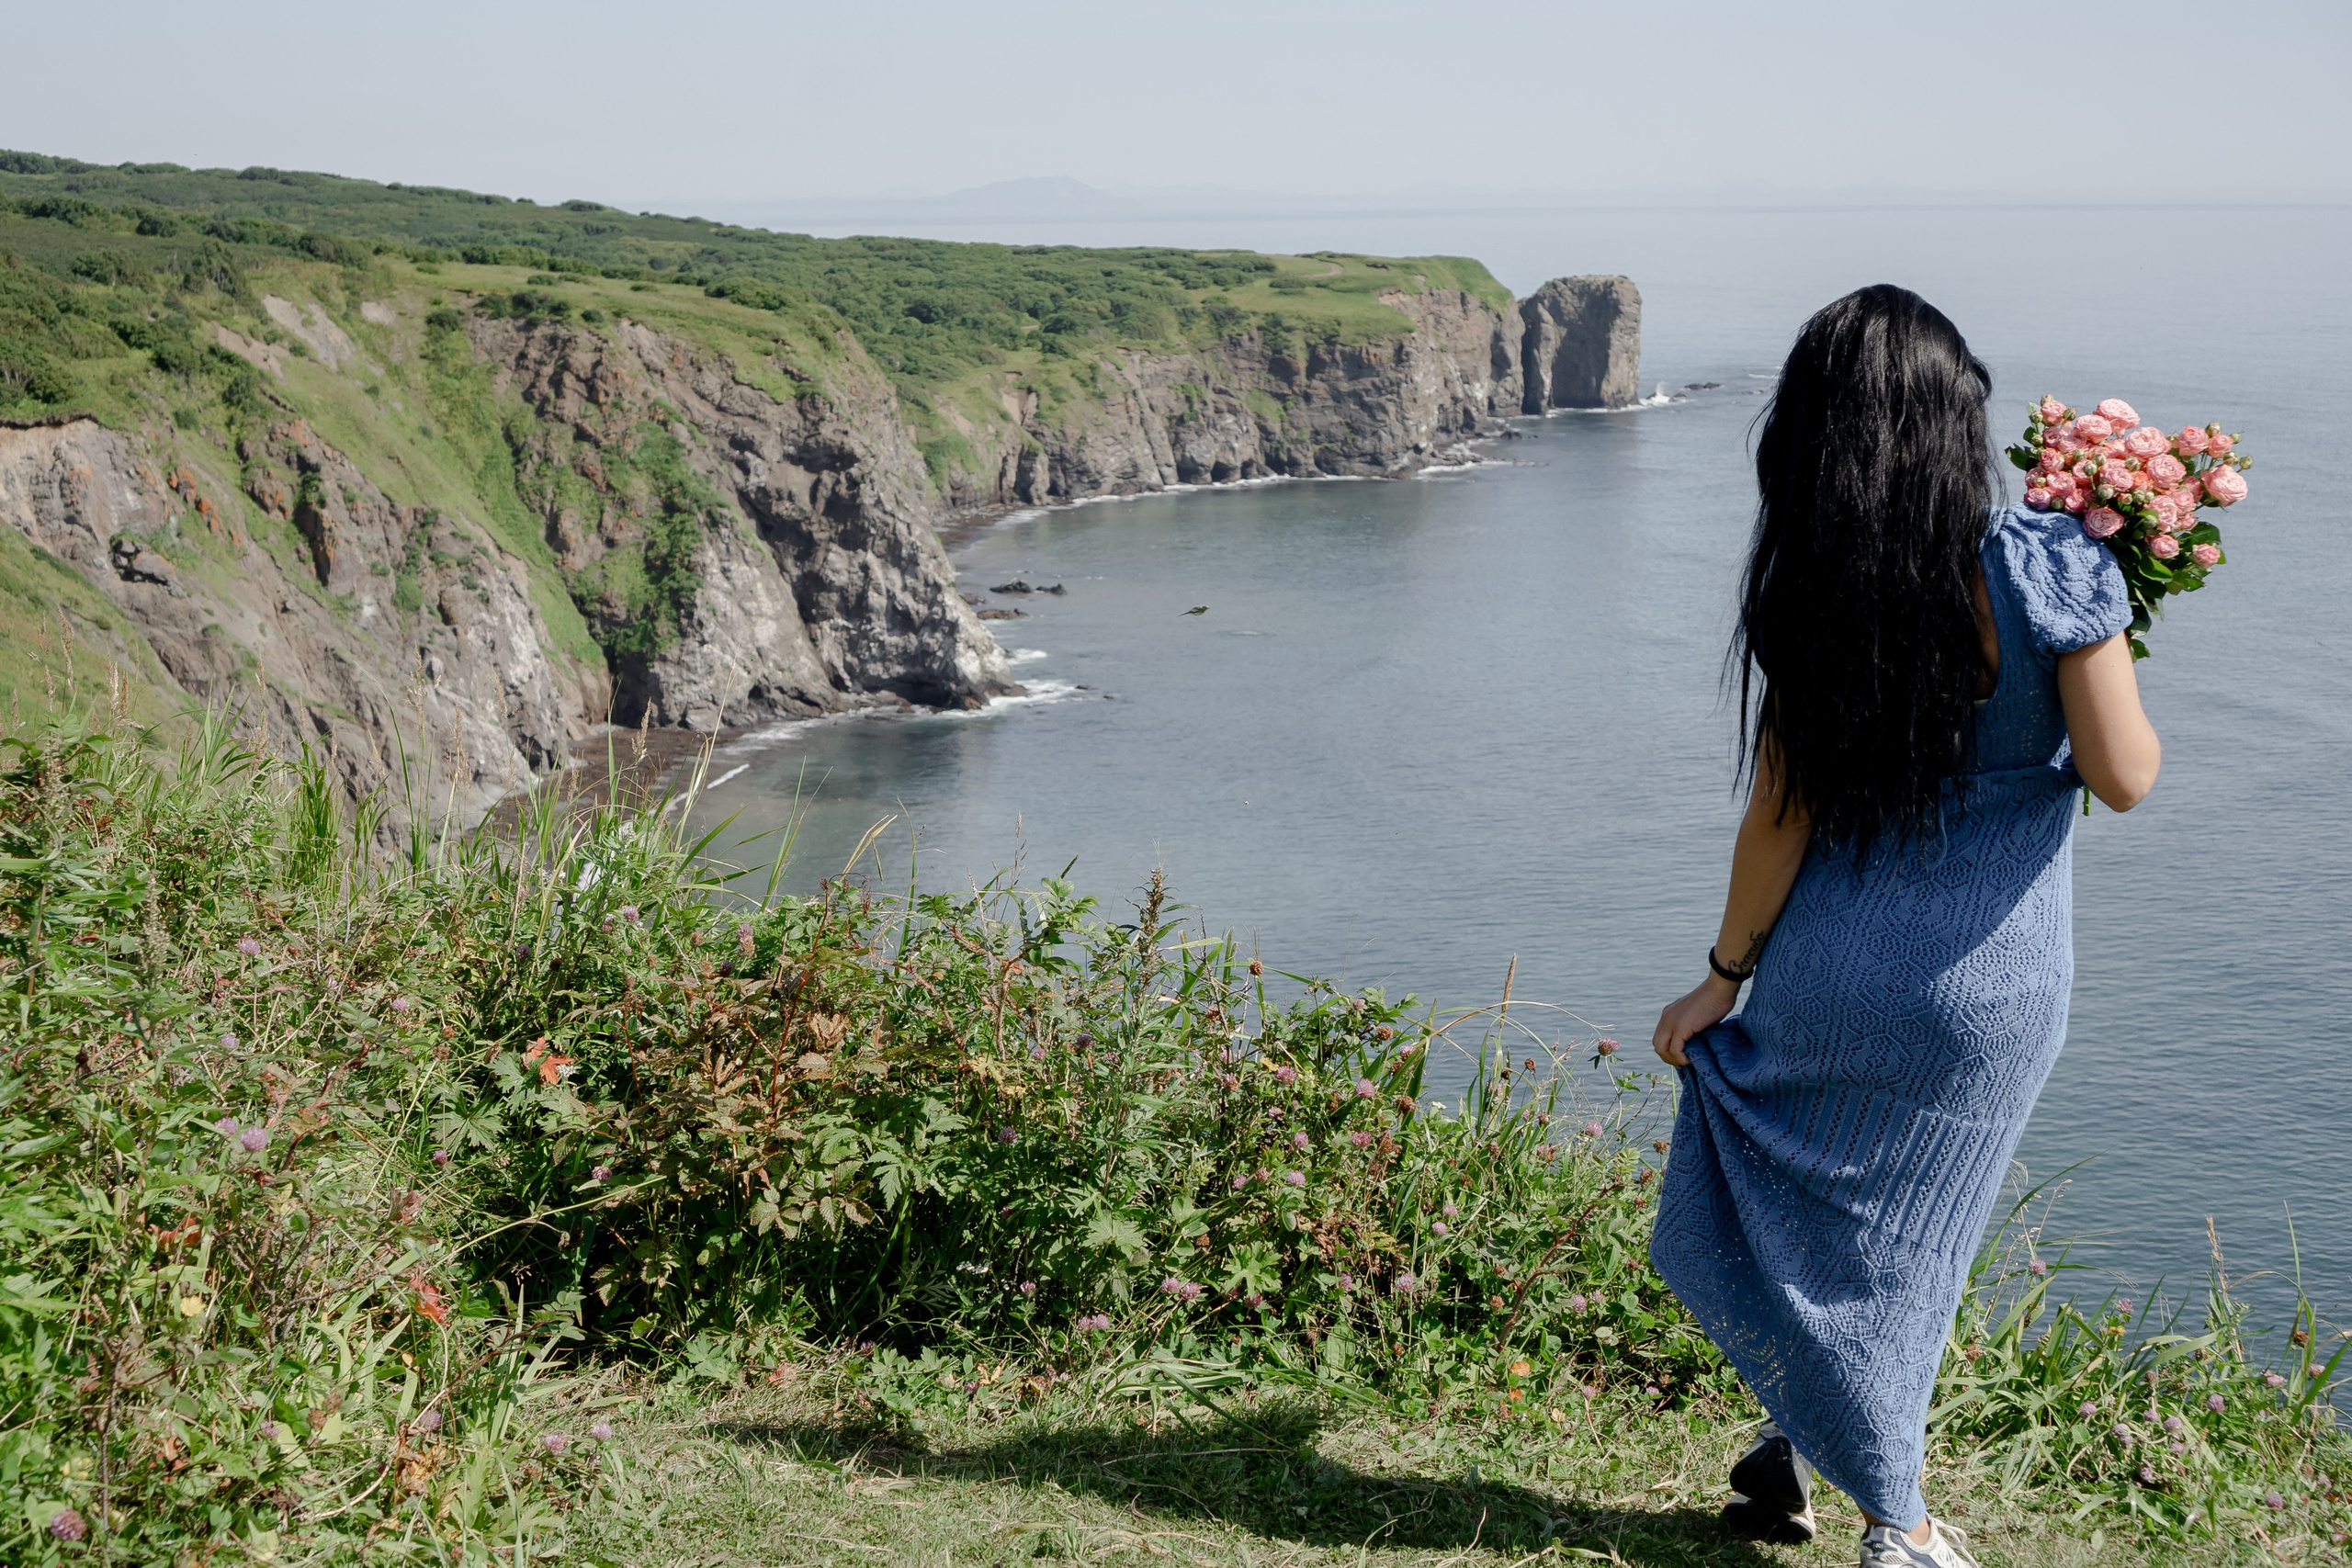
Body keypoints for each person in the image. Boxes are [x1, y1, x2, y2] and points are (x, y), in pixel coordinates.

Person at [1645, 286, 2162, 1568]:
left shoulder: (1814, 589)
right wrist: (2107, 620)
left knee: (1824, 1218)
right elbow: (2123, 774)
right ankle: (1904, 1528)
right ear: (1958, 420)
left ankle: (1787, 1447)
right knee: (1910, 1257)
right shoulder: (2052, 563)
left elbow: (1779, 815)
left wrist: (1722, 979)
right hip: (1984, 984)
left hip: (1826, 962)